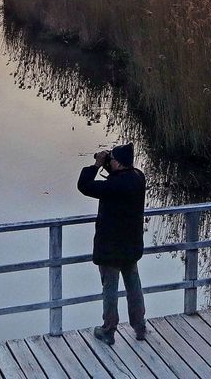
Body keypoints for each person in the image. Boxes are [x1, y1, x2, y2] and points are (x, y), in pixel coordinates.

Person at [77, 142, 147, 344]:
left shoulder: (115, 185)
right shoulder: (138, 177)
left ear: (119, 163)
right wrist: (110, 162)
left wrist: (97, 165)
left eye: (112, 159)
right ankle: (139, 325)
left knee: (110, 289)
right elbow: (118, 175)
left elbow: (85, 185)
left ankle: (109, 330)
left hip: (111, 248)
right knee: (134, 285)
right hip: (131, 245)